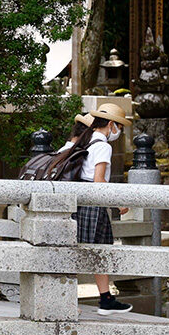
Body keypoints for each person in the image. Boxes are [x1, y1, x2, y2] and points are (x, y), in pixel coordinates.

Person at [74, 103, 133, 314]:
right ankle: (95, 299)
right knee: (92, 250)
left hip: (80, 201)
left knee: (99, 249)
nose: (119, 131)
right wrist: (118, 203)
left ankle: (105, 297)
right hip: (93, 204)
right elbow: (98, 180)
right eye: (119, 126)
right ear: (111, 124)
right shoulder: (102, 146)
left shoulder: (86, 141)